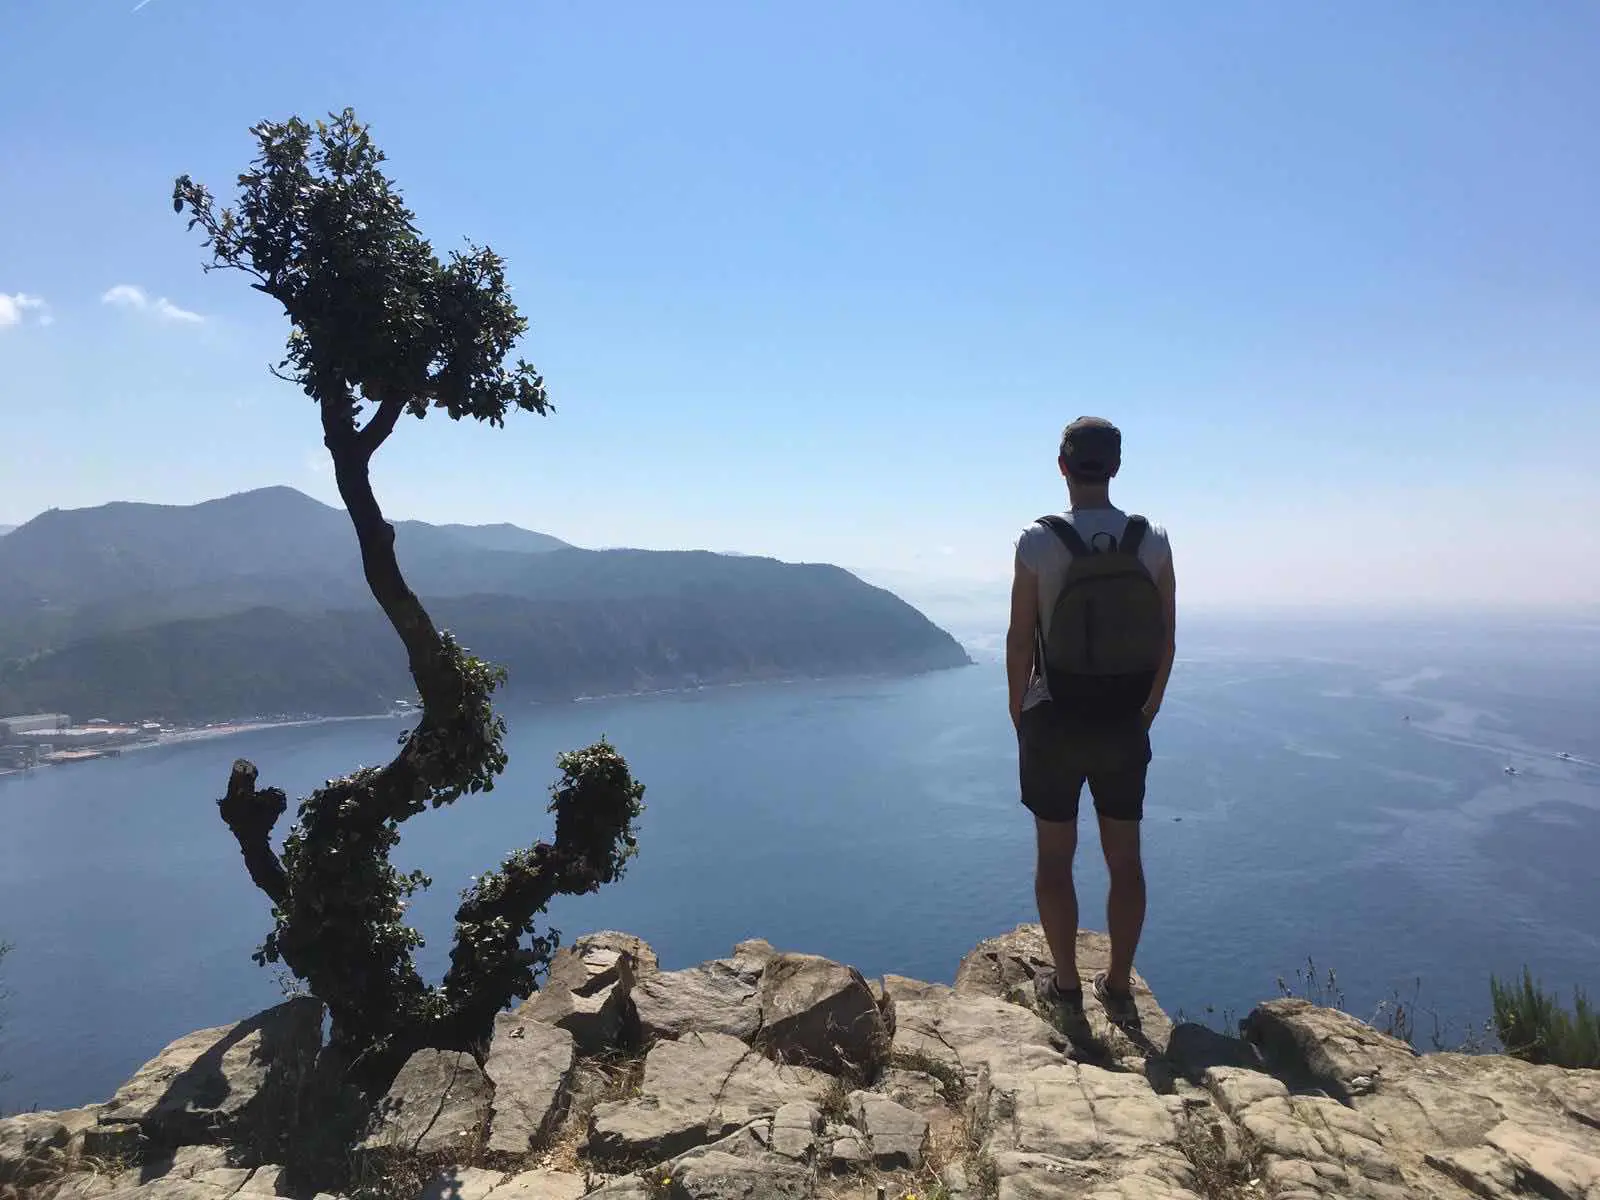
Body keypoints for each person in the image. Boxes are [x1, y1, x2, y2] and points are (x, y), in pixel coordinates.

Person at [1006, 416, 1176, 1031]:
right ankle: (1120, 984)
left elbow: (1020, 638)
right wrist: (1145, 713)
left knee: (1055, 859)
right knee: (1124, 860)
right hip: (1123, 722)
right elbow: (1166, 641)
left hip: (1054, 719)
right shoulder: (1151, 540)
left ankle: (1067, 985)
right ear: (1116, 466)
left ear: (1062, 467)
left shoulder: (1038, 541)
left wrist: (1019, 712)